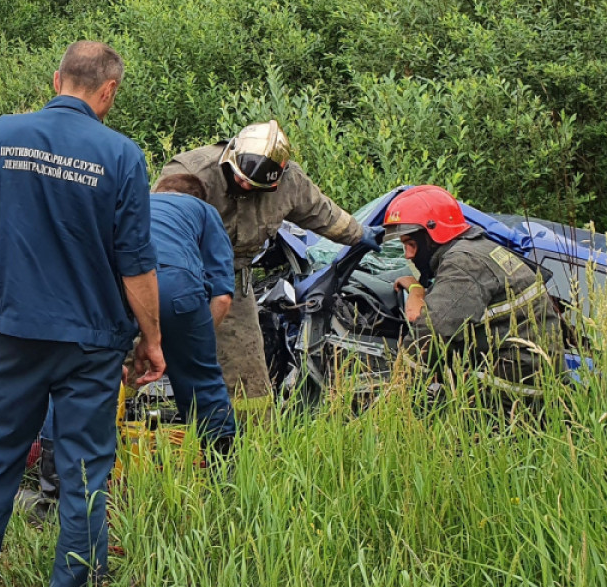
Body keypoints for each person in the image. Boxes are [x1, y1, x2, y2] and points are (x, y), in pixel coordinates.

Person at [0, 41, 165, 587]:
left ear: (57, 78)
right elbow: (136, 265)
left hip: (12, 332)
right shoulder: (121, 156)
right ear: (108, 91)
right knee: (86, 474)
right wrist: (152, 339)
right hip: (91, 342)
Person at [161, 121, 382, 400]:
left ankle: (247, 440)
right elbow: (159, 230)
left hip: (232, 281)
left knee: (248, 375)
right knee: (143, 349)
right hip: (176, 275)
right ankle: (113, 418)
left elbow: (322, 213)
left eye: (254, 185)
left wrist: (359, 234)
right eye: (241, 177)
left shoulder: (290, 183)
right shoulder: (192, 173)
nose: (244, 185)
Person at [381, 184, 565, 410]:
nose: (408, 254)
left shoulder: (464, 263)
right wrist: (417, 289)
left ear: (433, 234)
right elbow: (456, 305)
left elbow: (432, 331)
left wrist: (395, 387)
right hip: (533, 380)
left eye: (410, 244)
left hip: (512, 391)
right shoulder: (480, 250)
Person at [147, 173, 237, 450]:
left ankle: (81, 472)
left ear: (158, 190)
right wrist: (193, 344)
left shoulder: (134, 201)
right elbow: (222, 297)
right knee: (202, 383)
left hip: (118, 282)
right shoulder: (204, 211)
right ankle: (224, 473)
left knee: (96, 373)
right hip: (177, 286)